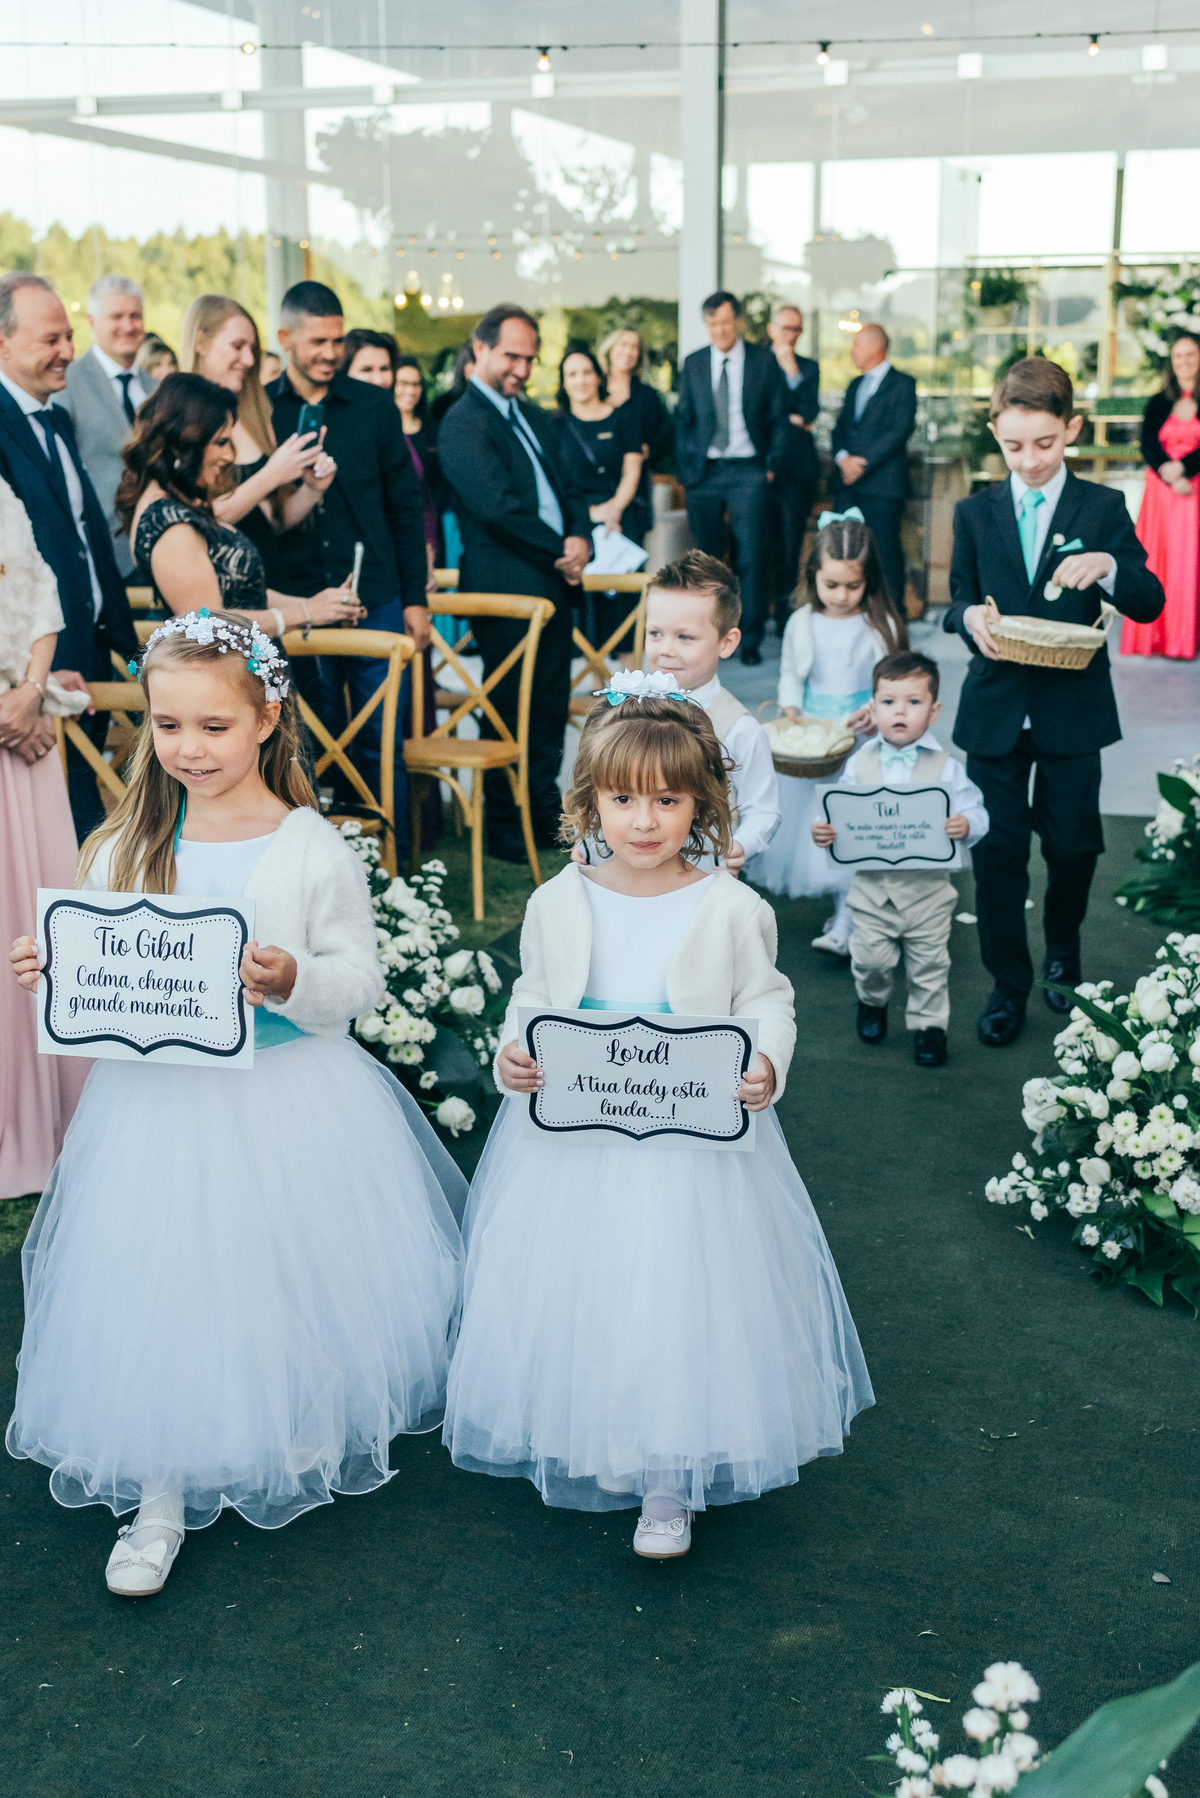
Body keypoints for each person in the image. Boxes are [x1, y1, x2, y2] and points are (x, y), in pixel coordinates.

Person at [7, 610, 465, 1597]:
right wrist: (53, 968)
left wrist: (296, 973)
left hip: (289, 1091)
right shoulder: (126, 840)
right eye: (167, 725)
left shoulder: (310, 847)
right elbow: (103, 975)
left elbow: (357, 978)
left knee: (284, 1265)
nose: (187, 747)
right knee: (164, 1276)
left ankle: (288, 1409)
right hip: (158, 1109)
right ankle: (160, 1487)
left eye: (212, 726)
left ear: (266, 716)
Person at [443, 679, 873, 1554]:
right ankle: (603, 1428)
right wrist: (514, 1048)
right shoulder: (559, 899)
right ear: (591, 800)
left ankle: (669, 1474)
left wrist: (766, 1063)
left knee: (675, 1292)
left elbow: (767, 1002)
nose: (644, 821)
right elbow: (534, 995)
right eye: (624, 798)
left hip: (690, 1145)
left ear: (703, 807)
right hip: (574, 1136)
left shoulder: (730, 908)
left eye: (668, 801)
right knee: (586, 1288)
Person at [945, 356, 1165, 1047]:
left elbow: (1150, 600)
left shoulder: (1101, 508)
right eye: (1014, 445)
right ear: (994, 432)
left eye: (1045, 443)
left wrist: (1109, 566)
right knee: (998, 854)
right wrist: (967, 621)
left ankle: (1063, 953)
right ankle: (1008, 985)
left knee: (1072, 846)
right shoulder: (972, 511)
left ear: (1071, 428)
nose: (1031, 460)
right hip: (995, 710)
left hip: (1073, 710)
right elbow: (954, 598)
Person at [264, 281, 431, 831]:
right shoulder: (262, 409)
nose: (330, 353)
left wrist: (415, 601)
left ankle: (398, 872)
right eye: (317, 341)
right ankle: (323, 865)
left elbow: (406, 507)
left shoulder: (374, 406)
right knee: (308, 739)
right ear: (285, 337)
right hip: (300, 602)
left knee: (382, 738)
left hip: (376, 596)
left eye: (336, 341)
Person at [437, 304, 593, 861]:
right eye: (511, 356)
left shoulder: (532, 416)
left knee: (549, 705)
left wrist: (581, 539)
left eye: (530, 358)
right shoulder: (462, 421)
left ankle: (542, 810)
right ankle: (504, 826)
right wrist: (562, 550)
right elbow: (496, 509)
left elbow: (570, 489)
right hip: (505, 589)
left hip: (552, 580)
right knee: (507, 706)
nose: (522, 368)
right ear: (478, 348)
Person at [0, 272, 138, 840]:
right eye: (50, 340)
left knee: (87, 815)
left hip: (91, 647)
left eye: (67, 337)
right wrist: (32, 678)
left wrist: (133, 648)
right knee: (60, 831)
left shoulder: (55, 418)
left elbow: (88, 541)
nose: (68, 353)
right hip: (41, 671)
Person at [813, 652, 989, 1068]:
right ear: (872, 708)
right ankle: (872, 1001)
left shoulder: (949, 768)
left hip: (928, 893)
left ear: (934, 710)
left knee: (930, 966)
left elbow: (978, 812)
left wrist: (967, 824)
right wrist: (825, 830)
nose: (900, 712)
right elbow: (839, 812)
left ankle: (930, 1028)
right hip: (871, 892)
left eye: (913, 702)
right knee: (870, 960)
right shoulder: (859, 763)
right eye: (889, 702)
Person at [747, 510, 907, 955]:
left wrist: (876, 709)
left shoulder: (881, 626)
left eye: (852, 586)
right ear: (812, 576)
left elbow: (892, 683)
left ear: (869, 580)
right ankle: (844, 911)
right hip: (817, 740)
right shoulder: (802, 622)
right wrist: (792, 707)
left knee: (856, 826)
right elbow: (790, 676)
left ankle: (848, 918)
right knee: (823, 827)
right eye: (831, 585)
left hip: (864, 740)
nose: (841, 596)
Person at [0, 475, 91, 1200]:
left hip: (23, 730)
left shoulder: (4, 492)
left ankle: (52, 1111)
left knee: (36, 921)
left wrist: (30, 693)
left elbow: (40, 590)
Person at [118, 373, 364, 635]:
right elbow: (208, 625)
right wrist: (304, 613)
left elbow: (243, 592)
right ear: (185, 441)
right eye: (221, 442)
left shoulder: (177, 504)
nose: (227, 456)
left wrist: (320, 606)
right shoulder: (169, 524)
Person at [180, 294, 336, 581]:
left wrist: (311, 490)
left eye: (252, 349)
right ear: (200, 342)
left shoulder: (256, 412)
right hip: (219, 601)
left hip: (271, 587)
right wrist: (274, 474)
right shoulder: (176, 420)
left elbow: (271, 523)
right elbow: (193, 527)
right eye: (238, 346)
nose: (249, 360)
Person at [675, 291, 790, 664]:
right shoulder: (692, 363)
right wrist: (687, 467)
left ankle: (750, 639)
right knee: (707, 559)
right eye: (712, 324)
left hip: (748, 470)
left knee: (752, 555)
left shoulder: (763, 361)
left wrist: (770, 465)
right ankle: (710, 637)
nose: (719, 330)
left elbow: (779, 417)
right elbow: (685, 419)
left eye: (725, 322)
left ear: (738, 321)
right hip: (705, 472)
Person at [53, 275, 156, 578]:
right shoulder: (66, 383)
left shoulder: (159, 388)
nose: (128, 326)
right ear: (92, 321)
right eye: (117, 317)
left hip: (161, 549)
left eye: (135, 316)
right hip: (103, 554)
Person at [1122, 332, 1200, 660]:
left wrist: (1185, 468)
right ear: (1171, 361)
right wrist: (1170, 473)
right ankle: (1157, 636)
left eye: (1191, 354)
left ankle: (1187, 637)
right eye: (1178, 355)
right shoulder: (1158, 401)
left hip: (1195, 488)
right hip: (1162, 493)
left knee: (1190, 562)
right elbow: (1147, 444)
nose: (1184, 361)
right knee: (1160, 561)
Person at [831, 324, 917, 617]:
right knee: (844, 551)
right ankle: (851, 611)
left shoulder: (903, 384)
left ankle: (893, 616)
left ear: (875, 346)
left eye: (856, 344)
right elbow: (840, 427)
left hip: (883, 485)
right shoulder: (855, 385)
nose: (852, 350)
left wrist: (861, 463)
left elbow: (898, 431)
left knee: (885, 552)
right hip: (848, 484)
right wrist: (843, 458)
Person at [552, 344, 646, 544]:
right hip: (574, 521)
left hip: (622, 517)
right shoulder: (553, 426)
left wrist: (614, 510)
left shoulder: (624, 418)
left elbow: (632, 472)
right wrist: (590, 513)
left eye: (587, 372)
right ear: (564, 383)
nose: (580, 381)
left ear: (598, 377)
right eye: (572, 375)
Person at [765, 303, 821, 620]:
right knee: (759, 546)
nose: (792, 335)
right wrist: (790, 418)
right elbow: (763, 416)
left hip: (798, 469)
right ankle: (756, 614)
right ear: (772, 329)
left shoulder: (807, 368)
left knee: (791, 546)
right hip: (761, 467)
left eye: (797, 329)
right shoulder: (756, 362)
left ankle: (786, 618)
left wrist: (791, 372)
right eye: (787, 328)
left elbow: (810, 411)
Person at [596, 325, 672, 532]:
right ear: (610, 349)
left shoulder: (647, 396)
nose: (628, 352)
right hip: (596, 482)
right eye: (623, 345)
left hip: (635, 489)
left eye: (634, 347)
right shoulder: (593, 388)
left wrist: (648, 450)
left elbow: (664, 441)